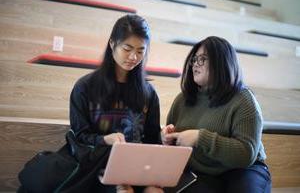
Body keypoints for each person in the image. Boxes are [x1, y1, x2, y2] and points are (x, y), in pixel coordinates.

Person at [161, 36, 271, 193]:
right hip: (202, 172)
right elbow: (174, 148)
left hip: (243, 170)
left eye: (202, 59)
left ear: (221, 63)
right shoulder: (182, 100)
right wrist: (166, 138)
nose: (195, 65)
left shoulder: (243, 99)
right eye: (194, 60)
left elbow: (246, 154)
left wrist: (200, 138)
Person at [70, 14, 163, 193]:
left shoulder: (149, 93)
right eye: (127, 48)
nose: (134, 57)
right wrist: (106, 139)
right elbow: (79, 137)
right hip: (97, 167)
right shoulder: (85, 87)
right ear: (112, 44)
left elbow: (152, 139)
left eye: (140, 51)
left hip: (137, 168)